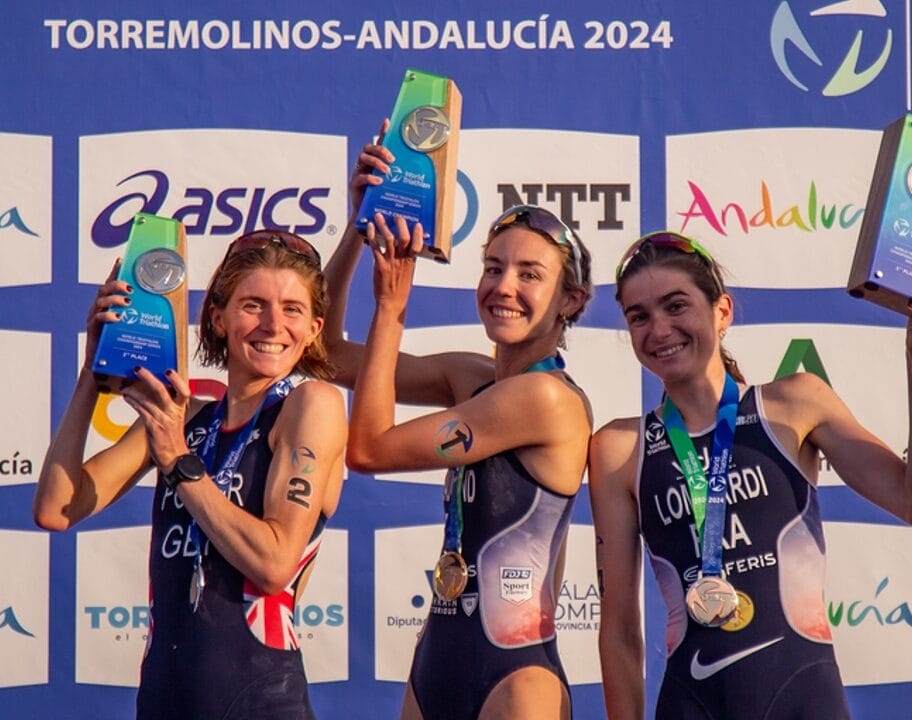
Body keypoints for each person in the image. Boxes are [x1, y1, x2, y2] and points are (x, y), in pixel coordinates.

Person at [323, 132, 594, 719]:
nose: (504, 287)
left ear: (570, 300)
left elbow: (369, 449)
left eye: (530, 275)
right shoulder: (470, 378)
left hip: (516, 677)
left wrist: (391, 310)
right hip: (438, 659)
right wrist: (360, 224)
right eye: (494, 268)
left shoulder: (547, 400)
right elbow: (324, 353)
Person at [588, 231, 912, 719]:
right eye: (639, 316)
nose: (658, 329)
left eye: (676, 306)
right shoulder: (619, 449)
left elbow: (907, 500)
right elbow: (618, 630)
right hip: (691, 703)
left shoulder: (794, 403)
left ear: (722, 311)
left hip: (805, 699)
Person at [33, 230, 346, 720]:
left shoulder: (311, 406)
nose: (272, 323)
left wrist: (179, 462)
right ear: (218, 319)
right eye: (253, 304)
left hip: (261, 700)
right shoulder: (183, 419)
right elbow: (55, 508)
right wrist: (93, 372)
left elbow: (275, 563)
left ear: (313, 328)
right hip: (163, 699)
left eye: (292, 309)